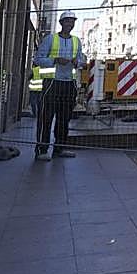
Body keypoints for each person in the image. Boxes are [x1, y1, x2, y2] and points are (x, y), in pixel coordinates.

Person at [33, 10, 86, 161]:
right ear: (61, 23)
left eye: (72, 21)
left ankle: (59, 148)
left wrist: (78, 62)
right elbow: (38, 59)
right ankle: (41, 150)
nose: (70, 24)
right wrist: (55, 60)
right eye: (67, 21)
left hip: (69, 84)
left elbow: (82, 60)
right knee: (46, 118)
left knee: (64, 119)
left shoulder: (76, 41)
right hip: (52, 83)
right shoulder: (50, 39)